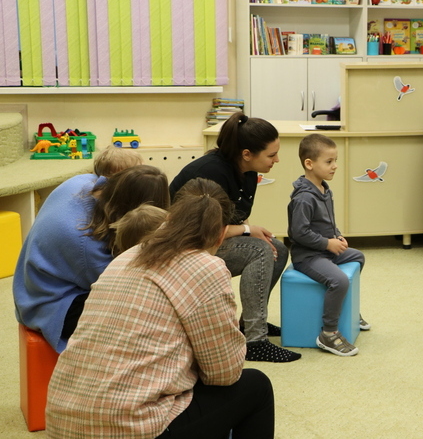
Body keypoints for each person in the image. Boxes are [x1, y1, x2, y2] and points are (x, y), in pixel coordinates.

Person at [46, 178, 275, 439]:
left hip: (62, 421)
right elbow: (225, 372)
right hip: (129, 427)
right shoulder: (206, 267)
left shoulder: (127, 256)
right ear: (222, 234)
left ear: (169, 218)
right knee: (256, 387)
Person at [170, 112, 298, 363]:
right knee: (259, 250)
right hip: (186, 247)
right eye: (271, 155)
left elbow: (236, 218)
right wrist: (248, 231)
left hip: (212, 240)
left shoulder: (247, 171)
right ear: (247, 154)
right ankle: (255, 341)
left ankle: (250, 323)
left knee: (278, 249)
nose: (277, 160)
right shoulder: (211, 172)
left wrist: (249, 230)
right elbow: (204, 232)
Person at [13, 165, 170, 352]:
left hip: (31, 284)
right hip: (51, 305)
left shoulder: (81, 182)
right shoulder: (87, 246)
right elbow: (126, 287)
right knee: (143, 312)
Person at [287, 133, 369, 357]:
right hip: (308, 256)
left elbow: (327, 222)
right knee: (339, 280)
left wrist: (337, 237)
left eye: (335, 160)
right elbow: (298, 233)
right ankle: (329, 333)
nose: (335, 166)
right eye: (329, 161)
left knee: (358, 256)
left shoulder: (324, 189)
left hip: (324, 249)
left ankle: (347, 311)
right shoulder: (304, 197)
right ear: (309, 164)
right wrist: (327, 243)